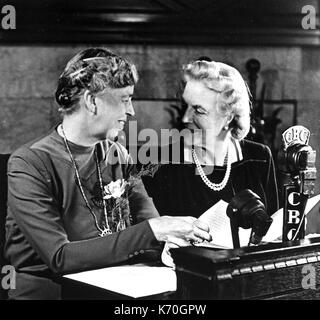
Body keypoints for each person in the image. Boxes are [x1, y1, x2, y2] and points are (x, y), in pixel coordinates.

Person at [4, 48, 211, 300]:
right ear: (92, 101)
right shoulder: (30, 163)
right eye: (125, 99)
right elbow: (60, 257)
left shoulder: (118, 153)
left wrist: (171, 240)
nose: (132, 110)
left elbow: (148, 219)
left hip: (114, 286)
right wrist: (154, 230)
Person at [142, 60, 279, 241]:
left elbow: (273, 226)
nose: (186, 118)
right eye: (186, 106)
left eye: (198, 110)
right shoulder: (160, 160)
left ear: (229, 115)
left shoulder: (259, 157)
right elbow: (148, 236)